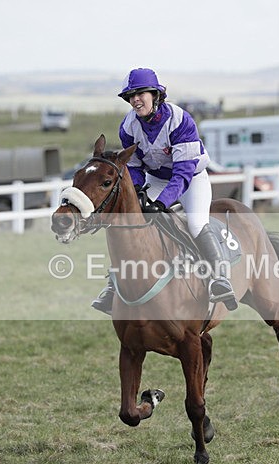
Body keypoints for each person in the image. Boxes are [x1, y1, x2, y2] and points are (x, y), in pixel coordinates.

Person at [92, 67, 237, 314]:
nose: (135, 100)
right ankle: (113, 286)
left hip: (192, 178)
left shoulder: (181, 121)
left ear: (156, 95)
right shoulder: (128, 127)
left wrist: (162, 203)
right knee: (132, 224)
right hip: (157, 178)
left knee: (196, 223)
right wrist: (137, 192)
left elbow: (182, 174)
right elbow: (134, 167)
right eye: (131, 96)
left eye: (140, 94)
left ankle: (220, 279)